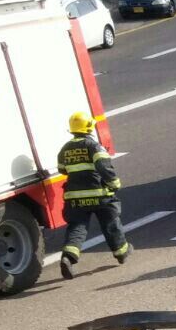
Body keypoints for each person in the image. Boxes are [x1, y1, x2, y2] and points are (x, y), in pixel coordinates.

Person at [55, 111, 129, 279]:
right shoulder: (93, 146)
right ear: (89, 127)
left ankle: (68, 257)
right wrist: (114, 183)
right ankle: (121, 253)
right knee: (110, 223)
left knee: (77, 227)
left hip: (75, 198)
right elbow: (104, 166)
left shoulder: (65, 148)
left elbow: (62, 169)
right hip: (99, 194)